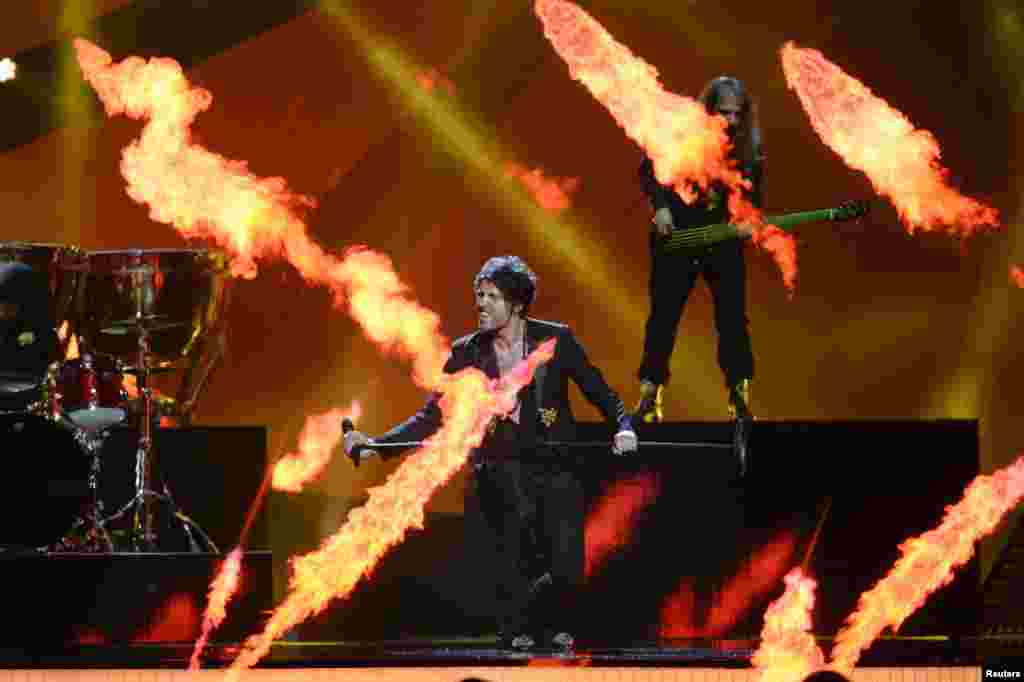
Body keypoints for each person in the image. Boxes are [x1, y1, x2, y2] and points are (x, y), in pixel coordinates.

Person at [344, 255, 637, 651]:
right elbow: (432, 416)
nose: (481, 304)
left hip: (555, 467)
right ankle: (518, 630)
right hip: (502, 471)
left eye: (491, 297)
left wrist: (623, 428)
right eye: (479, 296)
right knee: (513, 561)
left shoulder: (556, 341)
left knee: (565, 566)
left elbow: (603, 395)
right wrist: (377, 445)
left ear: (516, 303)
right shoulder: (467, 352)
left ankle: (557, 623)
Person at [634, 76, 762, 425]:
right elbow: (650, 170)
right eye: (724, 113)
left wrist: (748, 222)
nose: (731, 121)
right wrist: (660, 207)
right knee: (662, 319)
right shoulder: (682, 133)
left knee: (733, 320)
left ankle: (739, 397)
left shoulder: (749, 148)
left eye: (737, 114)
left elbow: (753, 198)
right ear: (708, 110)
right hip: (677, 239)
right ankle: (649, 396)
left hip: (722, 242)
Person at [0, 262, 59, 412]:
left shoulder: (41, 332)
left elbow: (51, 362)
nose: (4, 309)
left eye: (9, 303)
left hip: (28, 404)